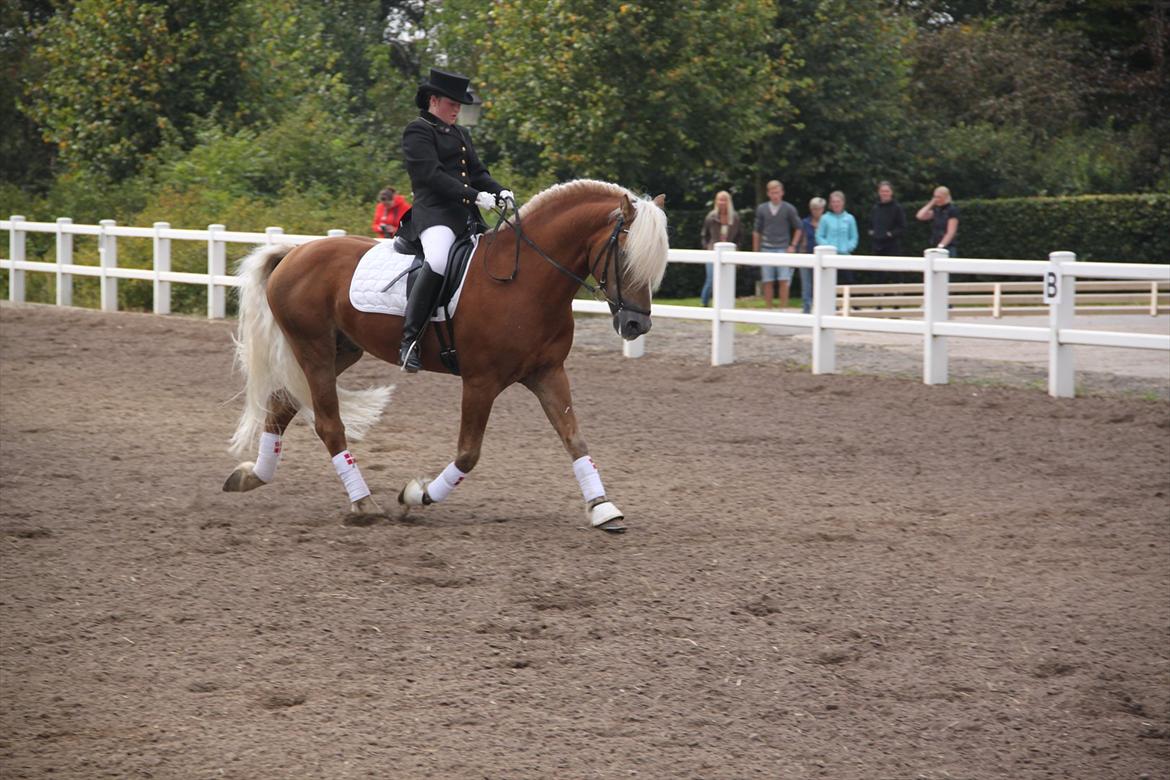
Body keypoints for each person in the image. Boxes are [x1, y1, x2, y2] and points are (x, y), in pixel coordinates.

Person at [399, 68, 513, 373]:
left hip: (466, 218)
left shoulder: (461, 133)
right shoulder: (417, 130)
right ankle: (409, 339)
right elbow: (431, 176)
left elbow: (478, 172)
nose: (458, 109)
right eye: (453, 103)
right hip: (435, 215)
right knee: (436, 260)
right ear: (434, 100)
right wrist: (474, 196)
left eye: (460, 104)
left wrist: (500, 190)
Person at [752, 180, 803, 309]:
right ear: (768, 194)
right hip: (766, 247)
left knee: (783, 280)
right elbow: (757, 231)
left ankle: (783, 308)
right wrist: (755, 251)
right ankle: (768, 308)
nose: (775, 195)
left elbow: (798, 227)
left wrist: (793, 245)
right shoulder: (762, 209)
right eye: (773, 193)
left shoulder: (789, 208)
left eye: (777, 192)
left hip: (783, 248)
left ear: (782, 193)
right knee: (767, 280)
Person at [699, 190, 743, 306]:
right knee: (711, 279)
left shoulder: (735, 217)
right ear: (716, 201)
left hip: (729, 252)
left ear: (729, 202)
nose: (722, 202)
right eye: (719, 199)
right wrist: (707, 248)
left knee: (727, 280)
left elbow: (739, 236)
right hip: (712, 252)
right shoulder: (711, 217)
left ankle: (724, 304)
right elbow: (704, 235)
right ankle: (704, 303)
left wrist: (737, 248)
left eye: (724, 200)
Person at [815, 190, 859, 285]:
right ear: (830, 204)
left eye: (838, 202)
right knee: (830, 283)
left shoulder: (850, 218)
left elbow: (854, 237)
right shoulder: (825, 218)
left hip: (845, 256)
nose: (836, 204)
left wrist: (848, 247)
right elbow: (819, 236)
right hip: (829, 257)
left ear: (843, 202)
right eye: (833, 202)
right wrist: (828, 247)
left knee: (848, 282)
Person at [798, 197, 825, 314]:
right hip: (807, 255)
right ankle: (806, 308)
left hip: (822, 257)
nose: (816, 211)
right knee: (806, 284)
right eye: (814, 209)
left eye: (818, 209)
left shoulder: (827, 222)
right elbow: (802, 239)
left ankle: (821, 308)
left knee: (820, 284)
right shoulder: (805, 222)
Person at [916, 186, 959, 257]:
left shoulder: (952, 210)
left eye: (939, 197)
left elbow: (951, 232)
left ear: (945, 197)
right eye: (935, 197)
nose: (936, 199)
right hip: (935, 245)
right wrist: (931, 203)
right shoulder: (937, 210)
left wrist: (941, 246)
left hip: (947, 248)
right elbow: (920, 216)